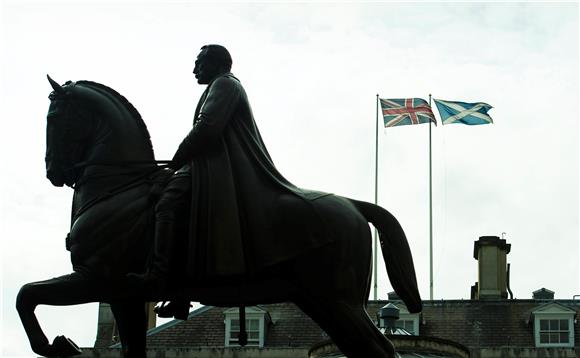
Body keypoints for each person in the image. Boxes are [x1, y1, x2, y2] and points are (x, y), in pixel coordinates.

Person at [129, 45, 333, 319]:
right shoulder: (219, 85)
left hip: (217, 170)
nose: (194, 69)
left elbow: (206, 129)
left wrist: (175, 164)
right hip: (209, 166)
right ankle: (180, 290)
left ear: (216, 63)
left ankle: (158, 277)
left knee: (167, 203)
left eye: (199, 63)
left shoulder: (225, 84)